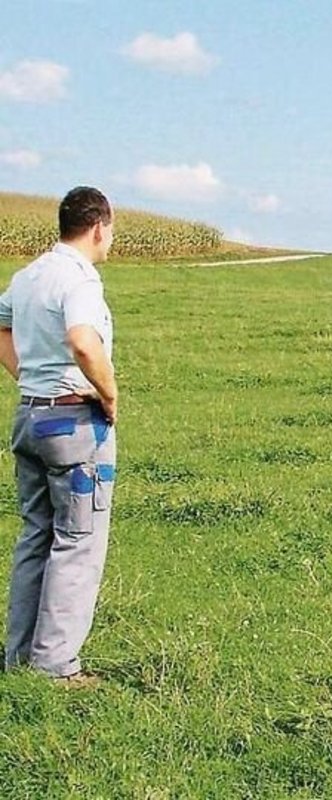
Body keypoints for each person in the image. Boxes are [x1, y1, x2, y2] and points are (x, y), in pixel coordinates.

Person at [0, 186, 118, 687]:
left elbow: (1, 327)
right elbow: (82, 340)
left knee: (37, 536)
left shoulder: (29, 276)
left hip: (31, 416)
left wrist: (28, 377)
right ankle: (55, 666)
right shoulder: (80, 280)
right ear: (97, 227)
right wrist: (108, 393)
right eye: (109, 231)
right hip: (74, 423)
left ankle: (19, 654)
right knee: (78, 542)